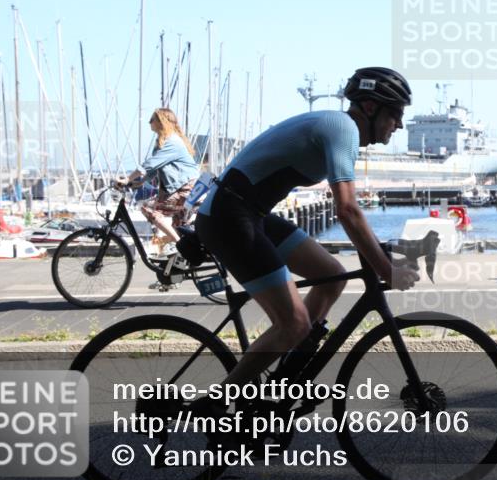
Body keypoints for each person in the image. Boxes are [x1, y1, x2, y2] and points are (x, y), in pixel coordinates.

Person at [195, 67, 420, 390]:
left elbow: (350, 212)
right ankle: (218, 402)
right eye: (395, 114)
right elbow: (347, 209)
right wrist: (385, 269)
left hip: (247, 213)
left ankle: (284, 377)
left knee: (330, 276)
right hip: (228, 217)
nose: (399, 124)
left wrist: (377, 255)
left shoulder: (341, 130)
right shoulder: (343, 129)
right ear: (370, 108)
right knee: (295, 322)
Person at [117, 108, 200, 247]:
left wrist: (127, 179)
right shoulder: (163, 142)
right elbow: (153, 170)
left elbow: (149, 164)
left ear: (162, 122)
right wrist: (137, 183)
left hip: (186, 189)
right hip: (183, 189)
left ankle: (181, 244)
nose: (149, 123)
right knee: (177, 228)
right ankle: (180, 252)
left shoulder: (172, 142)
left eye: (152, 120)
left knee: (145, 206)